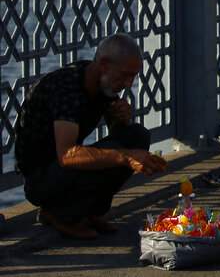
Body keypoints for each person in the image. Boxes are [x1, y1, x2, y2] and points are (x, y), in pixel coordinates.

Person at [14, 33, 165, 239]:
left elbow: (117, 133)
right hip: (41, 178)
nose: (129, 84)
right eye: (125, 75)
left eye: (133, 77)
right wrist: (126, 156)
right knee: (122, 154)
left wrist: (119, 119)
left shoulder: (104, 81)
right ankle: (60, 214)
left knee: (137, 136)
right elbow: (67, 155)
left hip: (61, 170)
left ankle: (89, 212)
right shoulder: (66, 87)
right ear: (104, 64)